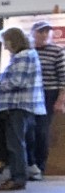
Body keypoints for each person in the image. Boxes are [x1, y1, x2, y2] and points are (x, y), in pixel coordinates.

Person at [0, 25, 46, 191]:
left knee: (15, 144)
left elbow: (16, 83)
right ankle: (18, 175)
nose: (5, 46)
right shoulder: (28, 55)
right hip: (23, 107)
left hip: (18, 106)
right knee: (19, 143)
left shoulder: (23, 56)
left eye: (5, 43)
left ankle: (18, 178)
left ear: (12, 41)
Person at [32, 20, 63, 177]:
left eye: (46, 32)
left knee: (42, 131)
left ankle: (40, 166)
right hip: (30, 94)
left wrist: (61, 99)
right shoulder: (28, 51)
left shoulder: (57, 51)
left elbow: (63, 77)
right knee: (29, 130)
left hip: (48, 93)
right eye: (40, 32)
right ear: (33, 34)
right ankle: (29, 164)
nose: (44, 35)